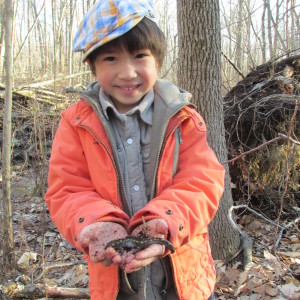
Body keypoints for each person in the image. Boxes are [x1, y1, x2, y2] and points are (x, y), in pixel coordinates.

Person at [45, 0, 225, 299]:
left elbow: (202, 181)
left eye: (140, 56)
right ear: (92, 65)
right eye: (111, 59)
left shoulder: (182, 117)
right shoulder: (76, 122)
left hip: (183, 277)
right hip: (115, 281)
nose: (127, 73)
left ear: (158, 60)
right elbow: (67, 188)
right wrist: (97, 223)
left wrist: (165, 221)